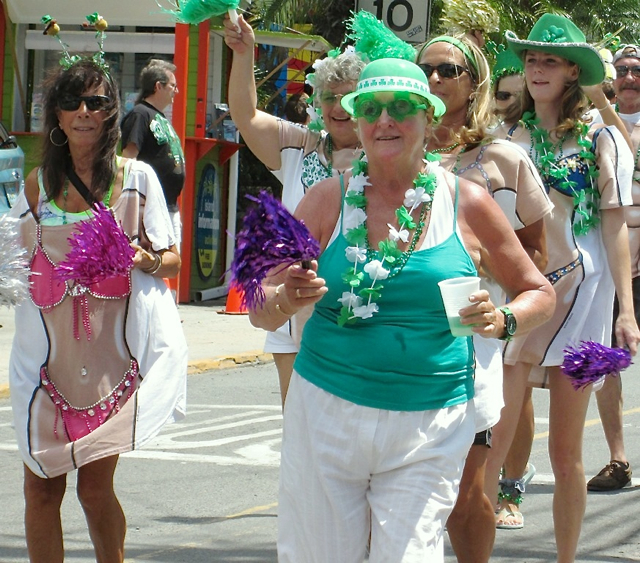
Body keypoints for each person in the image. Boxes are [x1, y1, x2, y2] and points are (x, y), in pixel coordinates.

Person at [247, 57, 555, 562]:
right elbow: (259, 305)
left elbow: (539, 291)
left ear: (429, 117)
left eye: (401, 108)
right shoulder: (327, 199)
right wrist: (285, 298)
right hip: (327, 411)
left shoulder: (469, 202)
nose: (384, 120)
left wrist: (503, 320)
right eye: (371, 108)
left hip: (430, 421)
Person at [8, 58, 187, 562]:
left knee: (93, 491)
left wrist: (143, 258)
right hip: (44, 370)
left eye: (97, 102)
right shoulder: (35, 187)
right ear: (58, 116)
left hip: (110, 372)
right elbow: (15, 259)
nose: (84, 112)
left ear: (111, 113)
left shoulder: (138, 180)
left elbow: (171, 261)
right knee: (40, 490)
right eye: (73, 102)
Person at [487, 14, 640, 563]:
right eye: (530, 59)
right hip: (521, 297)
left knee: (565, 451)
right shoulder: (504, 135)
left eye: (549, 60)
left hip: (587, 301)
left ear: (574, 71)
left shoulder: (602, 136)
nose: (536, 69)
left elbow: (616, 224)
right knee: (492, 439)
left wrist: (626, 310)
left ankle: (567, 558)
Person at [416, 35, 551, 557]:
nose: (433, 80)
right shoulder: (390, 147)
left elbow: (537, 257)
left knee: (467, 493)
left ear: (474, 81)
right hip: (396, 333)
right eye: (424, 69)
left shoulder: (503, 159)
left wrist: (483, 263)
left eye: (447, 70)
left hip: (469, 334)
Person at [223, 14, 364, 406]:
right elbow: (246, 115)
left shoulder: (387, 157)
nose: (338, 107)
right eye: (329, 96)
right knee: (300, 420)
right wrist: (243, 52)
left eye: (349, 97)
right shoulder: (298, 146)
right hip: (293, 303)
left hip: (361, 308)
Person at [586, 43, 640, 491]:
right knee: (607, 361)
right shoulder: (591, 123)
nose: (628, 76)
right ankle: (618, 460)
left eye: (636, 69)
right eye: (620, 69)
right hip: (613, 258)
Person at [121, 59, 185, 250]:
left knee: (172, 263)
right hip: (150, 209)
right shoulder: (140, 114)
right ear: (158, 86)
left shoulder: (160, 117)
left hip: (169, 206)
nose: (177, 91)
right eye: (173, 86)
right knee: (158, 263)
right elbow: (128, 160)